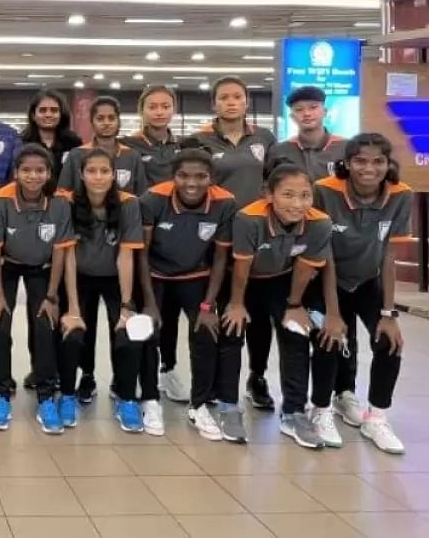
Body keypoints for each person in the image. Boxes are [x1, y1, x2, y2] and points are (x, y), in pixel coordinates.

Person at [138, 141, 245, 443]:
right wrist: (148, 303)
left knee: (206, 331)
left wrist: (208, 306)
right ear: (174, 176)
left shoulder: (225, 203)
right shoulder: (152, 199)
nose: (192, 183)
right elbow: (141, 256)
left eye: (200, 177)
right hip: (156, 276)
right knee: (149, 330)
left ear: (211, 178)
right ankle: (150, 398)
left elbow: (222, 257)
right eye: (184, 176)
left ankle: (199, 405)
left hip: (197, 276)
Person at [229, 163, 342, 449]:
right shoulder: (248, 218)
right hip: (246, 280)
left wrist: (294, 305)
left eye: (305, 195)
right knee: (239, 328)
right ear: (269, 195)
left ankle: (293, 411)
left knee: (296, 332)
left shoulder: (319, 223)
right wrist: (236, 304)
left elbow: (305, 269)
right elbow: (241, 268)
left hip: (284, 282)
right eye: (288, 195)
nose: (297, 203)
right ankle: (241, 392)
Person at [314, 133, 412, 454]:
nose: (369, 168)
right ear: (347, 163)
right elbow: (322, 253)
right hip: (328, 278)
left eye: (378, 161)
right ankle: (322, 409)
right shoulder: (324, 191)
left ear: (388, 165)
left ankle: (376, 417)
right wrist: (331, 312)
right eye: (360, 161)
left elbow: (389, 256)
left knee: (389, 342)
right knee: (331, 339)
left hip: (369, 280)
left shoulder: (401, 195)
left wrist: (388, 314)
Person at [194, 76, 279, 411]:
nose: (231, 102)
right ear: (214, 103)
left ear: (246, 102)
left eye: (237, 97)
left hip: (257, 237)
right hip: (214, 237)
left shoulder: (265, 138)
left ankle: (256, 377)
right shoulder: (199, 139)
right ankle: (217, 381)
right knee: (219, 310)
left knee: (256, 315)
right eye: (224, 97)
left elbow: (276, 180)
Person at [0, 144, 81, 433]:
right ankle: (1, 394)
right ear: (16, 172)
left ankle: (45, 397)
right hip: (8, 265)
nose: (32, 176)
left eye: (40, 170)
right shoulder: (1, 200)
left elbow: (61, 251)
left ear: (49, 174)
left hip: (43, 269)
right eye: (26, 170)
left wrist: (52, 296)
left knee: (44, 326)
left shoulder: (60, 203)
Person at [69, 148, 149, 432]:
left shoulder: (128, 204)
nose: (99, 177)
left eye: (105, 171)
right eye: (92, 171)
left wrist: (127, 305)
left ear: (114, 175)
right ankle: (86, 377)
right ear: (81, 174)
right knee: (81, 331)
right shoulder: (70, 203)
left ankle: (125, 394)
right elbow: (68, 253)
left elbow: (126, 255)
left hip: (116, 278)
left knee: (127, 331)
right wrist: (73, 304)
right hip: (80, 276)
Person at [57, 96, 148, 196]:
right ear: (92, 122)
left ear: (118, 122)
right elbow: (63, 194)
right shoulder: (76, 155)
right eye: (100, 119)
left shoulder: (132, 156)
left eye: (111, 118)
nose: (106, 123)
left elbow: (142, 195)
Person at [267, 86, 347, 181]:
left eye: (313, 107)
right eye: (299, 109)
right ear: (292, 117)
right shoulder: (279, 151)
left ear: (325, 112)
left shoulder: (345, 148)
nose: (306, 113)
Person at [122, 85, 181, 187]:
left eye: (166, 107)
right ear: (141, 111)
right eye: (152, 107)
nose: (159, 112)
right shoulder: (127, 145)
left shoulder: (184, 146)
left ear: (174, 110)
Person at [19, 89, 82, 181]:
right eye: (42, 110)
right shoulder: (21, 142)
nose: (48, 115)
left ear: (61, 114)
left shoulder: (74, 142)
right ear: (33, 115)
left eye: (54, 110)